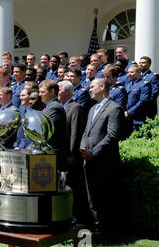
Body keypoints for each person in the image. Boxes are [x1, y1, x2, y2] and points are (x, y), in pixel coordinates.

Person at [80, 78, 124, 234]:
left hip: (104, 162)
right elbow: (86, 132)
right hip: (89, 160)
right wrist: (83, 149)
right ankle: (97, 227)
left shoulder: (114, 108)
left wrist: (94, 152)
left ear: (102, 87)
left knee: (107, 196)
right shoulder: (92, 109)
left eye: (92, 87)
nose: (89, 89)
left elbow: (112, 135)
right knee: (92, 196)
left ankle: (110, 231)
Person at [58, 80, 88, 224]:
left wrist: (71, 154)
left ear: (67, 92)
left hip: (71, 157)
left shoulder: (75, 107)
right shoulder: (60, 107)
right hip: (62, 156)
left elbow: (75, 133)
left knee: (73, 187)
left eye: (59, 90)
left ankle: (78, 218)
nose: (57, 92)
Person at [39, 80, 69, 171]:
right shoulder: (49, 106)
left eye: (43, 92)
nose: (40, 94)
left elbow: (45, 129)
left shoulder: (54, 107)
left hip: (53, 154)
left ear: (52, 92)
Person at [124, 64, 151, 132]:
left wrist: (129, 112)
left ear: (139, 72)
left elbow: (143, 101)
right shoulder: (128, 85)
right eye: (128, 72)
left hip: (137, 120)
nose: (129, 74)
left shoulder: (144, 85)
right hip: (126, 119)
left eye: (132, 72)